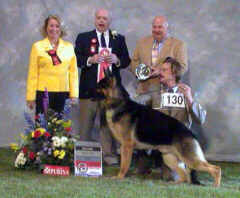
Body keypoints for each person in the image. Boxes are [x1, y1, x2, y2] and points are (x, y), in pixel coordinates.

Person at [135, 57, 206, 185]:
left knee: (172, 178)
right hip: (156, 142)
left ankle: (175, 167)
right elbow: (134, 102)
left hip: (176, 144)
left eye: (164, 70)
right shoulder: (155, 93)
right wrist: (146, 76)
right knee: (139, 171)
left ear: (173, 73)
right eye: (160, 69)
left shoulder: (186, 93)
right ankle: (150, 163)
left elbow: (200, 119)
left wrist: (189, 100)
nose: (159, 72)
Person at [74, 8, 131, 165]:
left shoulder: (118, 38)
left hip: (111, 95)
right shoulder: (84, 38)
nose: (101, 21)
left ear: (109, 21)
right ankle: (82, 158)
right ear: (95, 19)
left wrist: (117, 59)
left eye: (104, 18)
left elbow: (127, 60)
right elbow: (76, 59)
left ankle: (109, 156)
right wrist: (90, 60)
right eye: (98, 18)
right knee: (85, 126)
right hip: (89, 90)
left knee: (108, 126)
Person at [26, 15, 79, 115]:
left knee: (60, 127)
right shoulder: (37, 47)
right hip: (42, 92)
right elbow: (32, 73)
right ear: (46, 28)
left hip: (63, 92)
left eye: (57, 26)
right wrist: (30, 97)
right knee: (42, 128)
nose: (54, 29)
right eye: (51, 26)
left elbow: (73, 73)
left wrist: (74, 94)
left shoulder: (69, 47)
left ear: (61, 29)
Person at [131, 15, 188, 95]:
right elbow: (134, 63)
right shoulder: (142, 42)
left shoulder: (178, 45)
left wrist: (161, 71)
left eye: (160, 27)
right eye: (154, 27)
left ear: (167, 28)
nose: (156, 30)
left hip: (167, 92)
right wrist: (143, 73)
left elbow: (183, 67)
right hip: (143, 91)